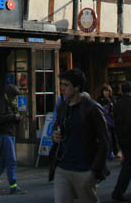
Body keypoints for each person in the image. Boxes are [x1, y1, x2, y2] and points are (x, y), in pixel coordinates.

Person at [49, 69, 110, 203]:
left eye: (66, 85)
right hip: (63, 166)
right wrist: (55, 135)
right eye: (61, 84)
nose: (62, 88)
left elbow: (105, 141)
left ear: (76, 87)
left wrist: (94, 171)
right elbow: (57, 126)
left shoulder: (92, 108)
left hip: (84, 168)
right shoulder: (62, 107)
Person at [0, 84, 25, 194]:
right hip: (4, 135)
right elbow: (0, 118)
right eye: (14, 96)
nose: (15, 98)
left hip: (10, 133)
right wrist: (14, 117)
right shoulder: (2, 103)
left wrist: (17, 118)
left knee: (3, 161)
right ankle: (13, 186)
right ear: (10, 94)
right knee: (11, 160)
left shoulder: (10, 103)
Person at [98, 83, 118, 156]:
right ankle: (108, 152)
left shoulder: (112, 99)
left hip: (112, 120)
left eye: (108, 91)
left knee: (114, 137)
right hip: (104, 121)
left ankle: (115, 151)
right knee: (107, 137)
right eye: (105, 91)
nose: (106, 93)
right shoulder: (100, 100)